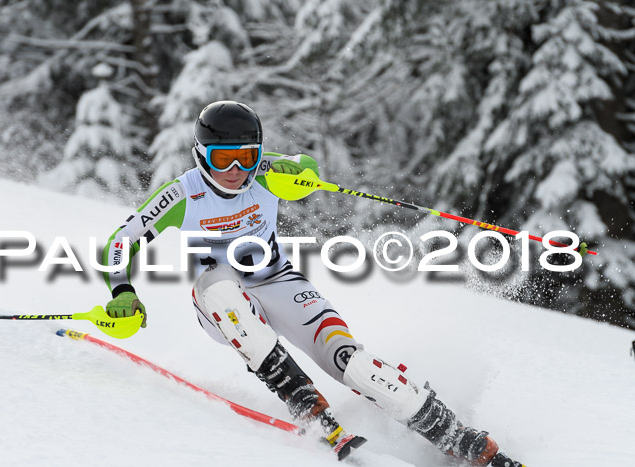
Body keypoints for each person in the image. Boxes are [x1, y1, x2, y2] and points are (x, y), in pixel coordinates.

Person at [100, 100, 524, 466]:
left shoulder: (266, 174)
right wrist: (122, 291)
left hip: (278, 281)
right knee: (223, 291)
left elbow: (307, 171)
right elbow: (121, 241)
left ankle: (465, 440)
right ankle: (305, 402)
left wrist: (300, 172)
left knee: (352, 361)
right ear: (200, 155)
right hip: (220, 299)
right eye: (220, 158)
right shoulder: (182, 195)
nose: (233, 171)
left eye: (245, 158)